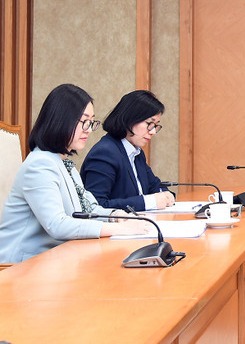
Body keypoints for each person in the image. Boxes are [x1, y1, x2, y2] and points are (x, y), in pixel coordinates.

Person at [0, 84, 152, 263]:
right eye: (84, 121)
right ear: (62, 120)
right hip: (23, 266)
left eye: (91, 122)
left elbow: (88, 209)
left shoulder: (65, 164)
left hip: (55, 259)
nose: (88, 129)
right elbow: (58, 225)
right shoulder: (39, 165)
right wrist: (121, 229)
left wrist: (117, 217)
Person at [81, 90, 175, 211]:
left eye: (156, 125)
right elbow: (96, 206)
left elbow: (155, 186)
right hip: (115, 228)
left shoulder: (136, 152)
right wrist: (148, 202)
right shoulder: (105, 153)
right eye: (149, 124)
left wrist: (167, 195)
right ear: (130, 119)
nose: (152, 132)